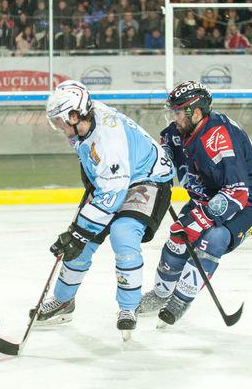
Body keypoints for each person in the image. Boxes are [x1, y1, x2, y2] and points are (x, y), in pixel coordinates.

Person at [39, 80, 174, 335]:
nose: (58, 127)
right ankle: (63, 301)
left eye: (59, 121)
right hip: (115, 179)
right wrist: (79, 233)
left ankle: (129, 306)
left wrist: (78, 232)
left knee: (122, 234)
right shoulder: (84, 121)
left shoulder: (107, 139)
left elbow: (113, 194)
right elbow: (102, 174)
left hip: (148, 179)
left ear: (74, 115)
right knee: (80, 243)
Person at [137, 81, 252, 324]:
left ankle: (180, 300)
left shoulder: (219, 137)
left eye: (178, 112)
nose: (174, 118)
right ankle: (161, 294)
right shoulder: (179, 131)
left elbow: (237, 191)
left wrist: (199, 220)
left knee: (213, 238)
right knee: (177, 239)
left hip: (247, 204)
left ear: (196, 112)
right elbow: (163, 153)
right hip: (206, 198)